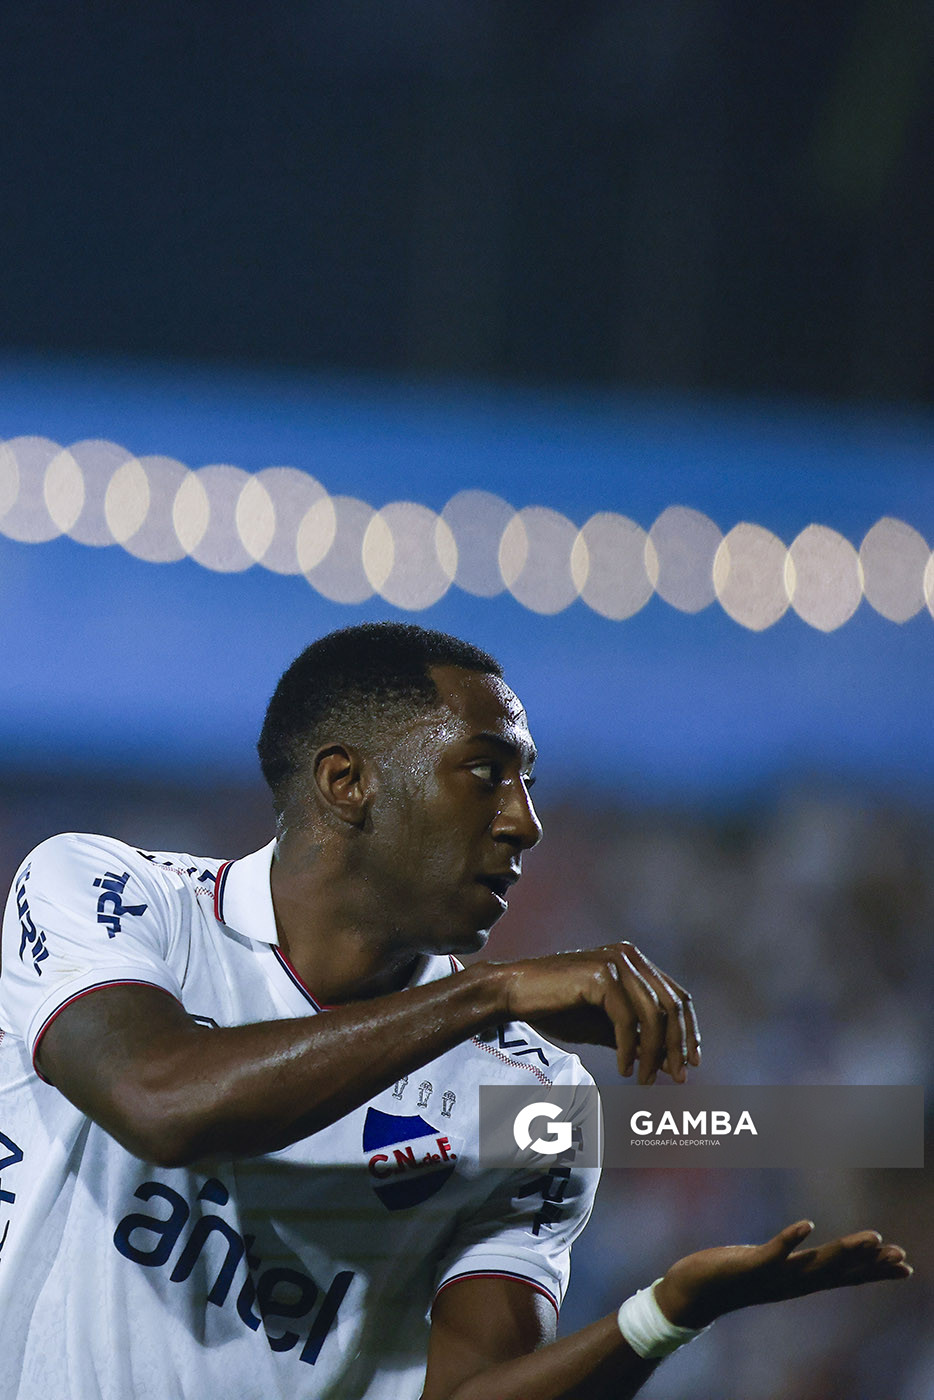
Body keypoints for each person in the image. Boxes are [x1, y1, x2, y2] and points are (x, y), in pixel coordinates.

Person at [0, 622, 910, 1400]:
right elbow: (162, 1101)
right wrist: (487, 991)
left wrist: (662, 1315)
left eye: (529, 784)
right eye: (486, 772)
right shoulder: (108, 894)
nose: (525, 822)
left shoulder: (533, 1098)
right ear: (346, 782)